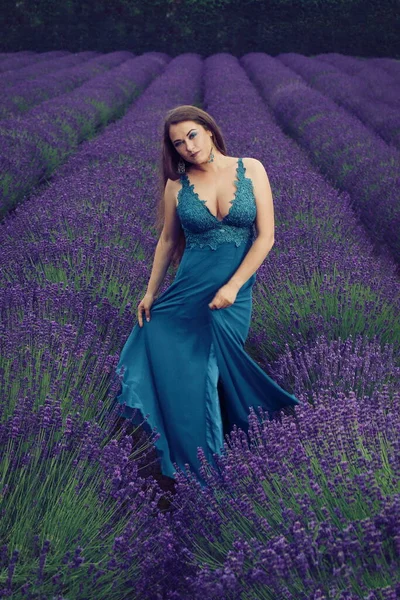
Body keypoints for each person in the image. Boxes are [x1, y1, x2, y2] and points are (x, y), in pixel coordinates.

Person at [113, 105, 301, 488]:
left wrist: (233, 286)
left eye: (192, 135)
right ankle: (203, 473)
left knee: (215, 368)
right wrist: (150, 293)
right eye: (178, 143)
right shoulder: (176, 186)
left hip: (233, 295)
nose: (187, 147)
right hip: (187, 295)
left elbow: (266, 237)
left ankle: (250, 443)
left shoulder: (252, 168)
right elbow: (167, 241)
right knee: (195, 376)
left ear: (210, 130)